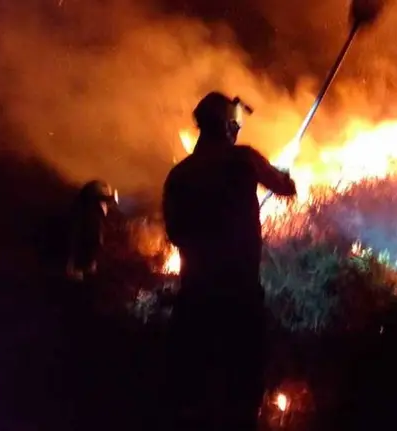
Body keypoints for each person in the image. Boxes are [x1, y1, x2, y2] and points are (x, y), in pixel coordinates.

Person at [162, 91, 297, 430]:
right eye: (234, 124)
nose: (237, 130)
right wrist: (284, 175)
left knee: (192, 385)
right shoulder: (243, 160)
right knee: (242, 381)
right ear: (225, 127)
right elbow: (285, 187)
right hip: (238, 293)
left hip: (194, 295)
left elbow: (175, 233)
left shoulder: (179, 176)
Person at [66, 179, 120, 281]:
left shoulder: (84, 213)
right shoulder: (93, 218)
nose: (107, 206)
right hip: (81, 263)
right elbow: (95, 241)